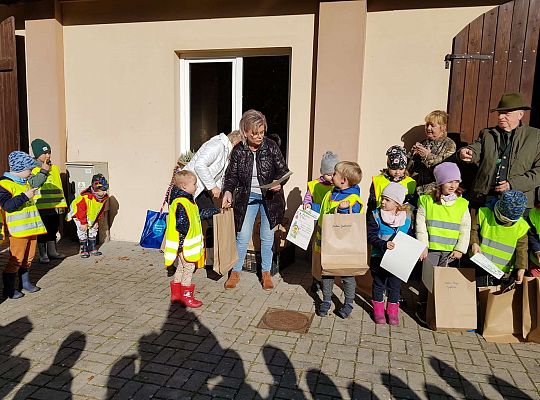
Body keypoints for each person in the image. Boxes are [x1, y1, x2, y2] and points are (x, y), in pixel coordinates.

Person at [222, 109, 289, 290]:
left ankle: (266, 273)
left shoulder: (271, 146)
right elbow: (231, 176)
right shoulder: (238, 150)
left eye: (262, 132)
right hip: (247, 197)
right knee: (242, 236)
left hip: (270, 198)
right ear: (245, 132)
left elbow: (283, 171)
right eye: (255, 133)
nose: (259, 136)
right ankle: (235, 272)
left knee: (267, 237)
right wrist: (227, 191)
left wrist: (279, 183)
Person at [457, 92, 540, 210]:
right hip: (485, 199)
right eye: (500, 113)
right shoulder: (487, 133)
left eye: (506, 113)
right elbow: (476, 147)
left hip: (518, 204)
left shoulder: (535, 136)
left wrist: (513, 184)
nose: (500, 117)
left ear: (520, 114)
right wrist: (467, 152)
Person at [415, 162, 471, 324]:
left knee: (446, 282)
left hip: (451, 252)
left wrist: (460, 248)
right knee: (427, 280)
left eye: (456, 181)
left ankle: (442, 309)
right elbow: (421, 226)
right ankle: (423, 306)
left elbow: (465, 228)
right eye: (449, 181)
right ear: (440, 182)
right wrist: (423, 246)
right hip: (431, 249)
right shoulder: (426, 201)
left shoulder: (462, 204)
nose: (453, 185)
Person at [182, 130, 242, 266]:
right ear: (236, 143)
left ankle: (209, 259)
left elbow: (219, 175)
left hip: (200, 189)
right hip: (189, 188)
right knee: (191, 223)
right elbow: (199, 165)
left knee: (210, 219)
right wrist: (212, 187)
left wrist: (221, 192)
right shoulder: (217, 146)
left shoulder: (226, 153)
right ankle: (182, 261)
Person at [164, 170, 220, 307]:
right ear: (184, 187)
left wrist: (213, 211)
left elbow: (196, 215)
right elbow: (182, 224)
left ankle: (176, 295)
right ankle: (186, 297)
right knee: (188, 269)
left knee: (181, 268)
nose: (196, 186)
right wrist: (189, 235)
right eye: (194, 184)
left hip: (183, 245)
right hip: (185, 245)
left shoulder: (188, 202)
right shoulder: (182, 203)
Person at [316, 161, 364, 319]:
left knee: (348, 276)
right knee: (327, 273)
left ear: (343, 180)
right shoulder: (331, 193)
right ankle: (327, 300)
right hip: (329, 242)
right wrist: (311, 208)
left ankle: (349, 303)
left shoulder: (353, 198)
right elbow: (325, 210)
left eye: (335, 173)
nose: (332, 175)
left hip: (346, 246)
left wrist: (344, 210)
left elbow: (354, 217)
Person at [0, 151, 47, 299]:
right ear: (20, 169)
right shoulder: (5, 184)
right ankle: (9, 290)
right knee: (16, 259)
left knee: (29, 258)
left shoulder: (24, 181)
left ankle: (25, 283)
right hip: (19, 231)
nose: (31, 172)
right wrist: (24, 196)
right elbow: (7, 205)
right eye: (29, 169)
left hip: (31, 228)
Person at [367, 183, 413, 325]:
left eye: (387, 200)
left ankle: (392, 312)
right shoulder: (375, 215)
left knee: (395, 286)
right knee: (379, 284)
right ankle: (379, 311)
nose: (383, 202)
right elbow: (370, 236)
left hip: (397, 261)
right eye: (382, 198)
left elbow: (410, 236)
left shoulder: (406, 218)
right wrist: (383, 244)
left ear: (397, 203)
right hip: (378, 257)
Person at [470, 190, 530, 286]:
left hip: (503, 273)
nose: (505, 221)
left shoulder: (522, 226)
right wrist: (474, 243)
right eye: (503, 218)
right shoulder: (484, 213)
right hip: (478, 266)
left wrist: (521, 268)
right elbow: (473, 230)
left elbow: (522, 249)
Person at [303, 151, 340, 293]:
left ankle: (327, 280)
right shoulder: (314, 185)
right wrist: (307, 204)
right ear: (322, 172)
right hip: (318, 224)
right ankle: (316, 279)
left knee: (329, 253)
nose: (331, 178)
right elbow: (308, 198)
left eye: (334, 174)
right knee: (317, 254)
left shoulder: (338, 186)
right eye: (328, 174)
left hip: (332, 225)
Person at [30, 139, 68, 264]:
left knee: (53, 228)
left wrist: (62, 204)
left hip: (55, 206)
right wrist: (43, 171)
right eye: (45, 153)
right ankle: (43, 253)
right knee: (43, 230)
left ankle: (52, 251)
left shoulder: (55, 168)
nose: (48, 155)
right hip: (40, 207)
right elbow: (33, 184)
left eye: (49, 152)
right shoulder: (32, 169)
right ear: (36, 154)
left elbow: (58, 187)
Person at [407, 110, 456, 195]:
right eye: (427, 125)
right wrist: (414, 156)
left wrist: (428, 156)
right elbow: (408, 171)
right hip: (417, 192)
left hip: (435, 193)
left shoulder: (449, 144)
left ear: (443, 127)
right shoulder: (423, 143)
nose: (428, 128)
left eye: (432, 125)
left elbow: (446, 170)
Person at [66, 174, 109, 258]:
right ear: (96, 189)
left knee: (93, 229)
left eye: (105, 190)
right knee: (82, 230)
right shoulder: (85, 197)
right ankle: (84, 249)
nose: (105, 192)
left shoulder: (103, 198)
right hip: (78, 216)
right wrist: (83, 223)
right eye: (102, 190)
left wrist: (96, 221)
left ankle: (92, 247)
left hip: (91, 215)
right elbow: (81, 211)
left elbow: (100, 210)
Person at [368, 145, 416, 213]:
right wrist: (371, 222)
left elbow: (412, 206)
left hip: (402, 220)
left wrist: (409, 222)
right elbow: (371, 204)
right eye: (394, 169)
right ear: (388, 166)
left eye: (401, 169)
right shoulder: (378, 180)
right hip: (379, 219)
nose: (397, 172)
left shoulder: (411, 182)